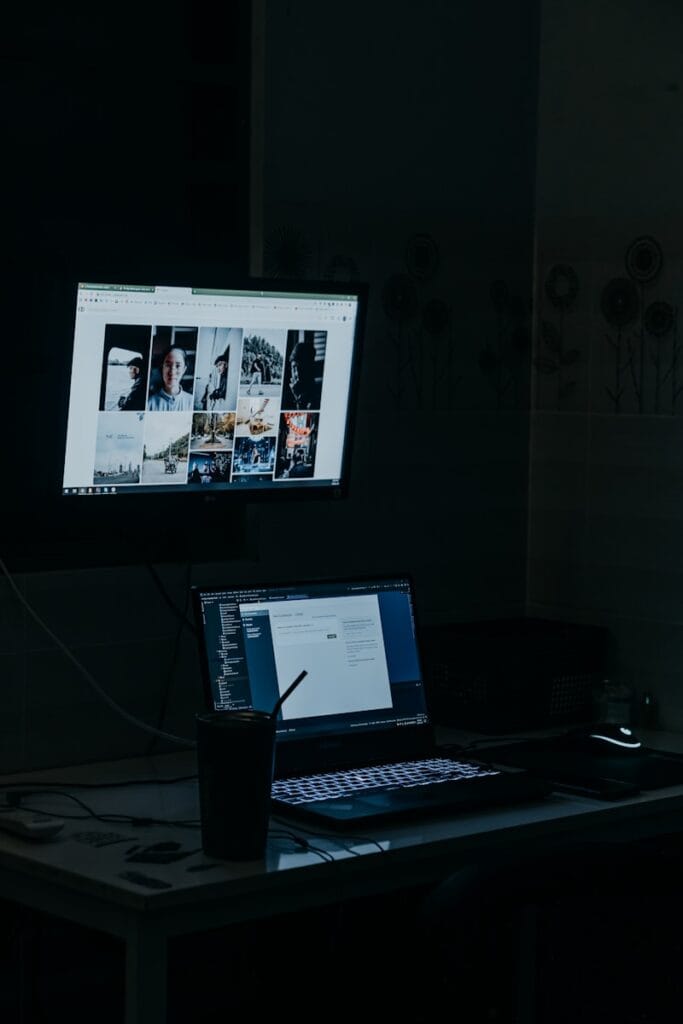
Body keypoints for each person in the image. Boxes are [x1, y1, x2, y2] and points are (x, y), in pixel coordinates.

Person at [147, 346, 194, 411]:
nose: (172, 371)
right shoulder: (149, 403)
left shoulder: (191, 402)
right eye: (168, 365)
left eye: (178, 366)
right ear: (162, 367)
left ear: (184, 369)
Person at [287, 334, 317, 409]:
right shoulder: (287, 393)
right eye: (294, 368)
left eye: (302, 368)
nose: (297, 373)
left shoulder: (317, 396)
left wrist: (298, 398)